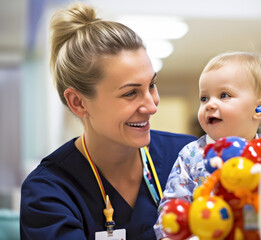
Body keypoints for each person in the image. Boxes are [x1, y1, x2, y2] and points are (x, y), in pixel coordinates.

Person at [20, 3, 197, 240]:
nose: (152, 106)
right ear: (78, 103)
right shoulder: (49, 192)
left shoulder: (188, 157)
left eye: (151, 86)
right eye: (130, 93)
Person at [155, 51, 261, 239]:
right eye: (204, 98)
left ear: (259, 107)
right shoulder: (191, 154)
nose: (210, 104)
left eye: (224, 95)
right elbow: (171, 208)